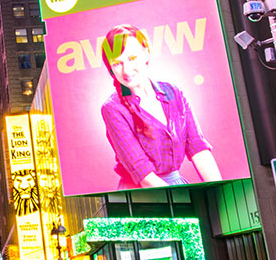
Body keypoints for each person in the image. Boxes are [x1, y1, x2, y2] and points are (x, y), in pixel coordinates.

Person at [94, 27, 219, 189]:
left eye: (132, 58)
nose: (126, 70)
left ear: (145, 54)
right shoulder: (113, 108)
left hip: (176, 187)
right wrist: (182, 199)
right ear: (111, 68)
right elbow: (144, 175)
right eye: (117, 63)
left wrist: (219, 191)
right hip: (142, 197)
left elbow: (198, 149)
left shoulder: (173, 92)